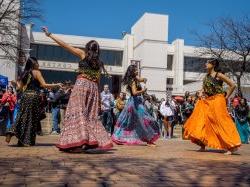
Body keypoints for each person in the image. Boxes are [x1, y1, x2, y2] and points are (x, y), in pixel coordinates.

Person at [42, 27, 113, 152]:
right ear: (97, 50)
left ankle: (78, 142)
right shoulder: (99, 63)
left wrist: (50, 35)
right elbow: (98, 81)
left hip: (81, 86)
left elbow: (65, 46)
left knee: (77, 113)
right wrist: (99, 102)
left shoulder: (82, 54)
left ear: (87, 48)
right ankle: (86, 141)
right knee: (89, 116)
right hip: (93, 90)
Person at [184, 59, 241, 155]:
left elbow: (232, 85)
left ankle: (230, 146)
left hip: (218, 100)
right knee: (202, 121)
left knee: (220, 121)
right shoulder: (206, 77)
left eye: (207, 63)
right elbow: (203, 88)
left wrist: (226, 97)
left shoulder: (218, 75)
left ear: (213, 65)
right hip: (208, 100)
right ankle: (202, 144)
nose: (205, 64)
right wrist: (201, 93)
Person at [6, 57, 61, 146]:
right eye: (37, 63)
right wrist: (56, 85)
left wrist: (15, 84)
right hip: (34, 97)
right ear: (33, 64)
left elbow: (19, 88)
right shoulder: (37, 72)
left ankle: (12, 132)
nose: (38, 64)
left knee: (21, 117)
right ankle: (28, 141)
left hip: (25, 97)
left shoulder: (24, 74)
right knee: (31, 119)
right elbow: (44, 85)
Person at [112, 64, 160, 146]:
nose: (137, 71)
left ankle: (147, 139)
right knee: (144, 119)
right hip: (134, 102)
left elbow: (140, 79)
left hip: (136, 102)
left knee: (133, 121)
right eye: (136, 70)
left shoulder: (135, 78)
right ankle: (149, 139)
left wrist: (144, 79)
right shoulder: (132, 81)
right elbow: (134, 93)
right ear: (132, 72)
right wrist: (143, 90)